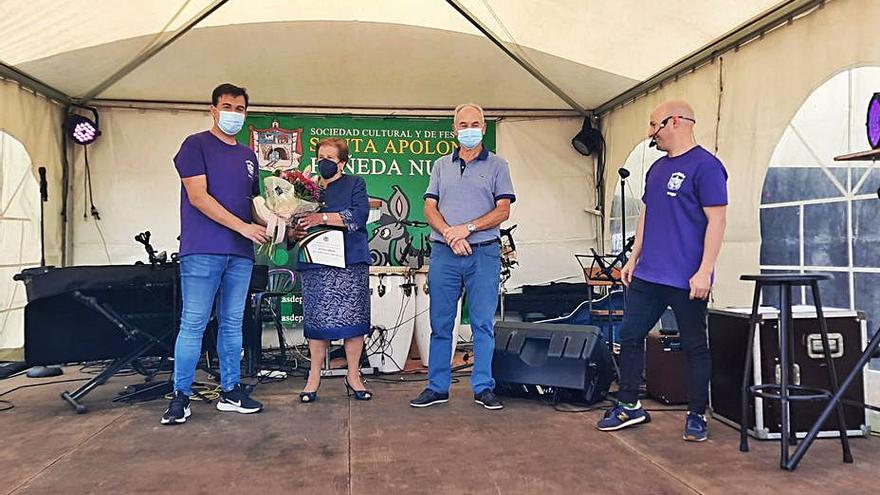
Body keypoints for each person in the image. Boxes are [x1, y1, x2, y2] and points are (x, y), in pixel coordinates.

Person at [596, 100, 728, 442]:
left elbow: (717, 219)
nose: (651, 133)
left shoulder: (707, 166)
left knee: (695, 345)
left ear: (675, 122)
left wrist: (705, 271)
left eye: (654, 125)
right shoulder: (655, 169)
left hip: (686, 277)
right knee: (629, 334)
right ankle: (629, 404)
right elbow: (646, 213)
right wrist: (633, 256)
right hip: (648, 274)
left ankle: (697, 414)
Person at [162, 83, 269, 425]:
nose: (233, 114)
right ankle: (180, 396)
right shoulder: (195, 145)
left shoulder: (249, 156)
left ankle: (231, 390)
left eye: (239, 109)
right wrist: (243, 227)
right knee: (193, 323)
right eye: (227, 106)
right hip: (203, 248)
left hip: (241, 253)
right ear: (212, 109)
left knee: (233, 324)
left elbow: (254, 206)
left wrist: (277, 223)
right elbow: (198, 197)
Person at [410, 103, 515, 411]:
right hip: (444, 252)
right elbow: (430, 207)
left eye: (475, 124)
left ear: (483, 128)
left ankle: (483, 387)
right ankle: (437, 387)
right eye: (462, 124)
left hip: (484, 253)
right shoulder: (441, 165)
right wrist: (449, 234)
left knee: (483, 324)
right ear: (454, 130)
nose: (468, 129)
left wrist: (465, 229)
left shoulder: (498, 165)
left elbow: (503, 210)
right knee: (441, 324)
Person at [291, 138, 373, 403]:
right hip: (316, 262)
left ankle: (353, 374)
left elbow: (358, 217)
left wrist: (322, 218)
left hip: (349, 261)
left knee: (354, 321)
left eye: (330, 158)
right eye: (320, 156)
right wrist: (295, 229)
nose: (324, 162)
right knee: (317, 321)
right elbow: (292, 226)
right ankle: (314, 376)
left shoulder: (355, 183)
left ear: (343, 162)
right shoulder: (305, 189)